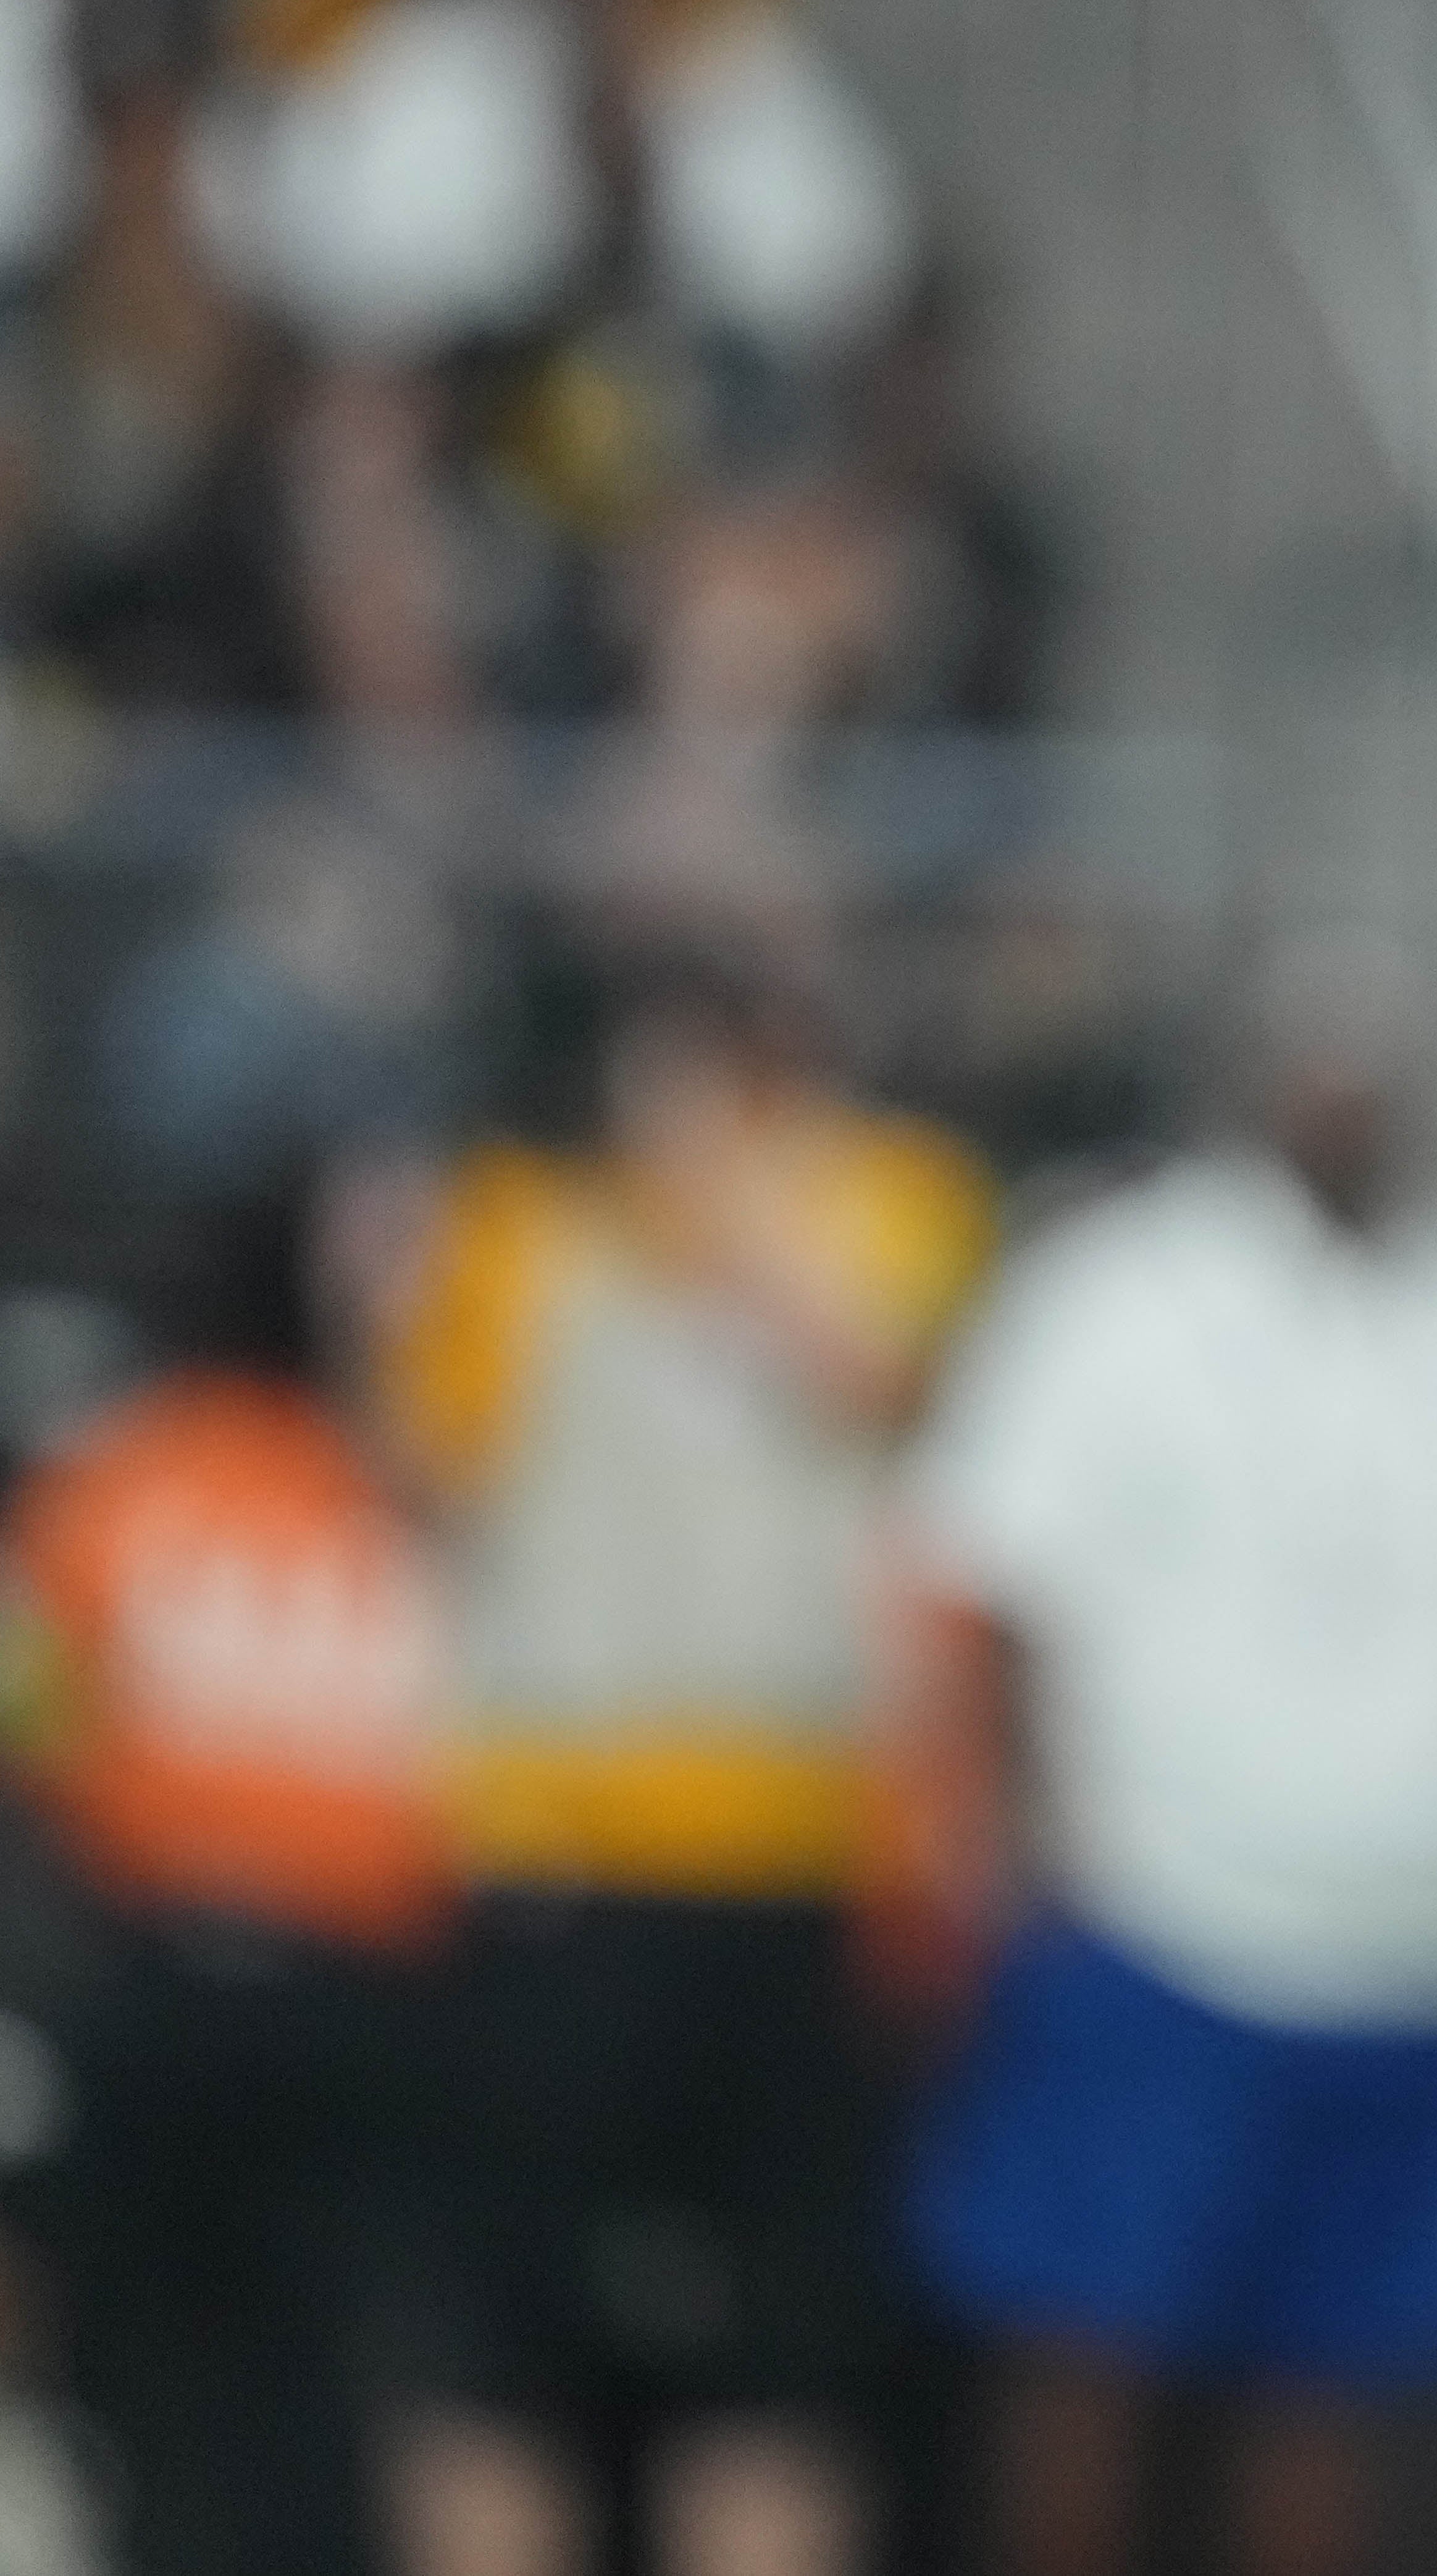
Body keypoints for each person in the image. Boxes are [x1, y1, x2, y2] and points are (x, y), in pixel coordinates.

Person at [895, 953, 1437, 2576]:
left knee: (1356, 2403)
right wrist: (984, 1836)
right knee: (1090, 2362)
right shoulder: (1115, 1289)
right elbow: (986, 1578)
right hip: (1165, 1917)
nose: (1346, 1094)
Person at [364, 954, 993, 2576]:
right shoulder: (519, 1226)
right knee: (500, 2355)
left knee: (775, 2365)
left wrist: (713, 1208)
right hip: (559, 1858)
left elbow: (884, 1375)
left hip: (791, 1860)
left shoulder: (888, 1196)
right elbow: (424, 1463)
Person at [4, 1185, 450, 2576]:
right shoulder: (397, 1495)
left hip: (155, 1988)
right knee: (339, 2377)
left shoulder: (111, 1483)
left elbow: (33, 1734)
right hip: (365, 2007)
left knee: (151, 2371)